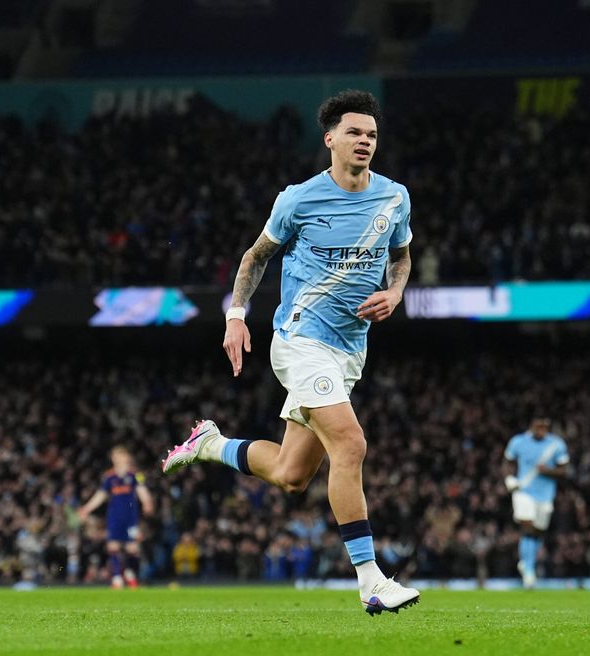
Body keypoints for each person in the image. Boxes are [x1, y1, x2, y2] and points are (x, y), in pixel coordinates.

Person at [162, 89, 419, 615]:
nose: (365, 141)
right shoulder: (299, 199)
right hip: (301, 341)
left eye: (371, 134)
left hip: (349, 351)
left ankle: (210, 444)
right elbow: (255, 258)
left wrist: (395, 292)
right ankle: (370, 580)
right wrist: (236, 316)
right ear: (330, 140)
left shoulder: (394, 198)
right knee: (350, 444)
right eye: (354, 132)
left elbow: (402, 256)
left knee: (290, 474)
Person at [504, 417, 569, 588]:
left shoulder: (556, 445)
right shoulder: (518, 442)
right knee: (527, 526)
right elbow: (508, 462)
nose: (541, 429)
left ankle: (527, 562)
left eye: (544, 426)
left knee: (538, 532)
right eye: (538, 426)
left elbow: (564, 470)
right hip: (523, 491)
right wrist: (509, 478)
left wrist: (548, 471)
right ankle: (529, 571)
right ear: (531, 426)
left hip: (545, 495)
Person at [79, 446, 155, 588]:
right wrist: (87, 508)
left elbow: (142, 490)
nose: (120, 459)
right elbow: (101, 494)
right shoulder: (109, 477)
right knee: (113, 546)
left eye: (122, 456)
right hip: (114, 516)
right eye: (117, 457)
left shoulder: (135, 475)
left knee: (133, 548)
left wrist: (147, 502)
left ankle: (130, 573)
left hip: (130, 517)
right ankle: (117, 578)